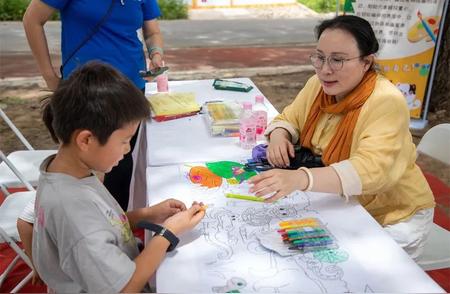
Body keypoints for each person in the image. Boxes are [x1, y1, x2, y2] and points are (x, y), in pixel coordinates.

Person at [248, 15, 435, 260]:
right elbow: (290, 117)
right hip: (343, 203)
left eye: (338, 60)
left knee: (346, 271)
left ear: (367, 62)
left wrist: (299, 178)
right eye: (320, 57)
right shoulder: (318, 86)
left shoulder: (386, 101)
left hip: (392, 215)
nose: (325, 69)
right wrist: (279, 136)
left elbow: (372, 170)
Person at [28, 62, 205, 292]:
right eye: (124, 141)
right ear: (86, 140)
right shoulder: (72, 209)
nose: (127, 150)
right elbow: (124, 288)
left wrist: (147, 214)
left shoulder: (68, 171)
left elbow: (101, 224)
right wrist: (166, 233)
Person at [23, 0, 165, 210]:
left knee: (121, 162)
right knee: (80, 162)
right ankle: (72, 220)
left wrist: (156, 54)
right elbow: (32, 20)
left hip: (130, 87)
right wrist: (48, 75)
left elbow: (152, 31)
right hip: (87, 92)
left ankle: (118, 227)